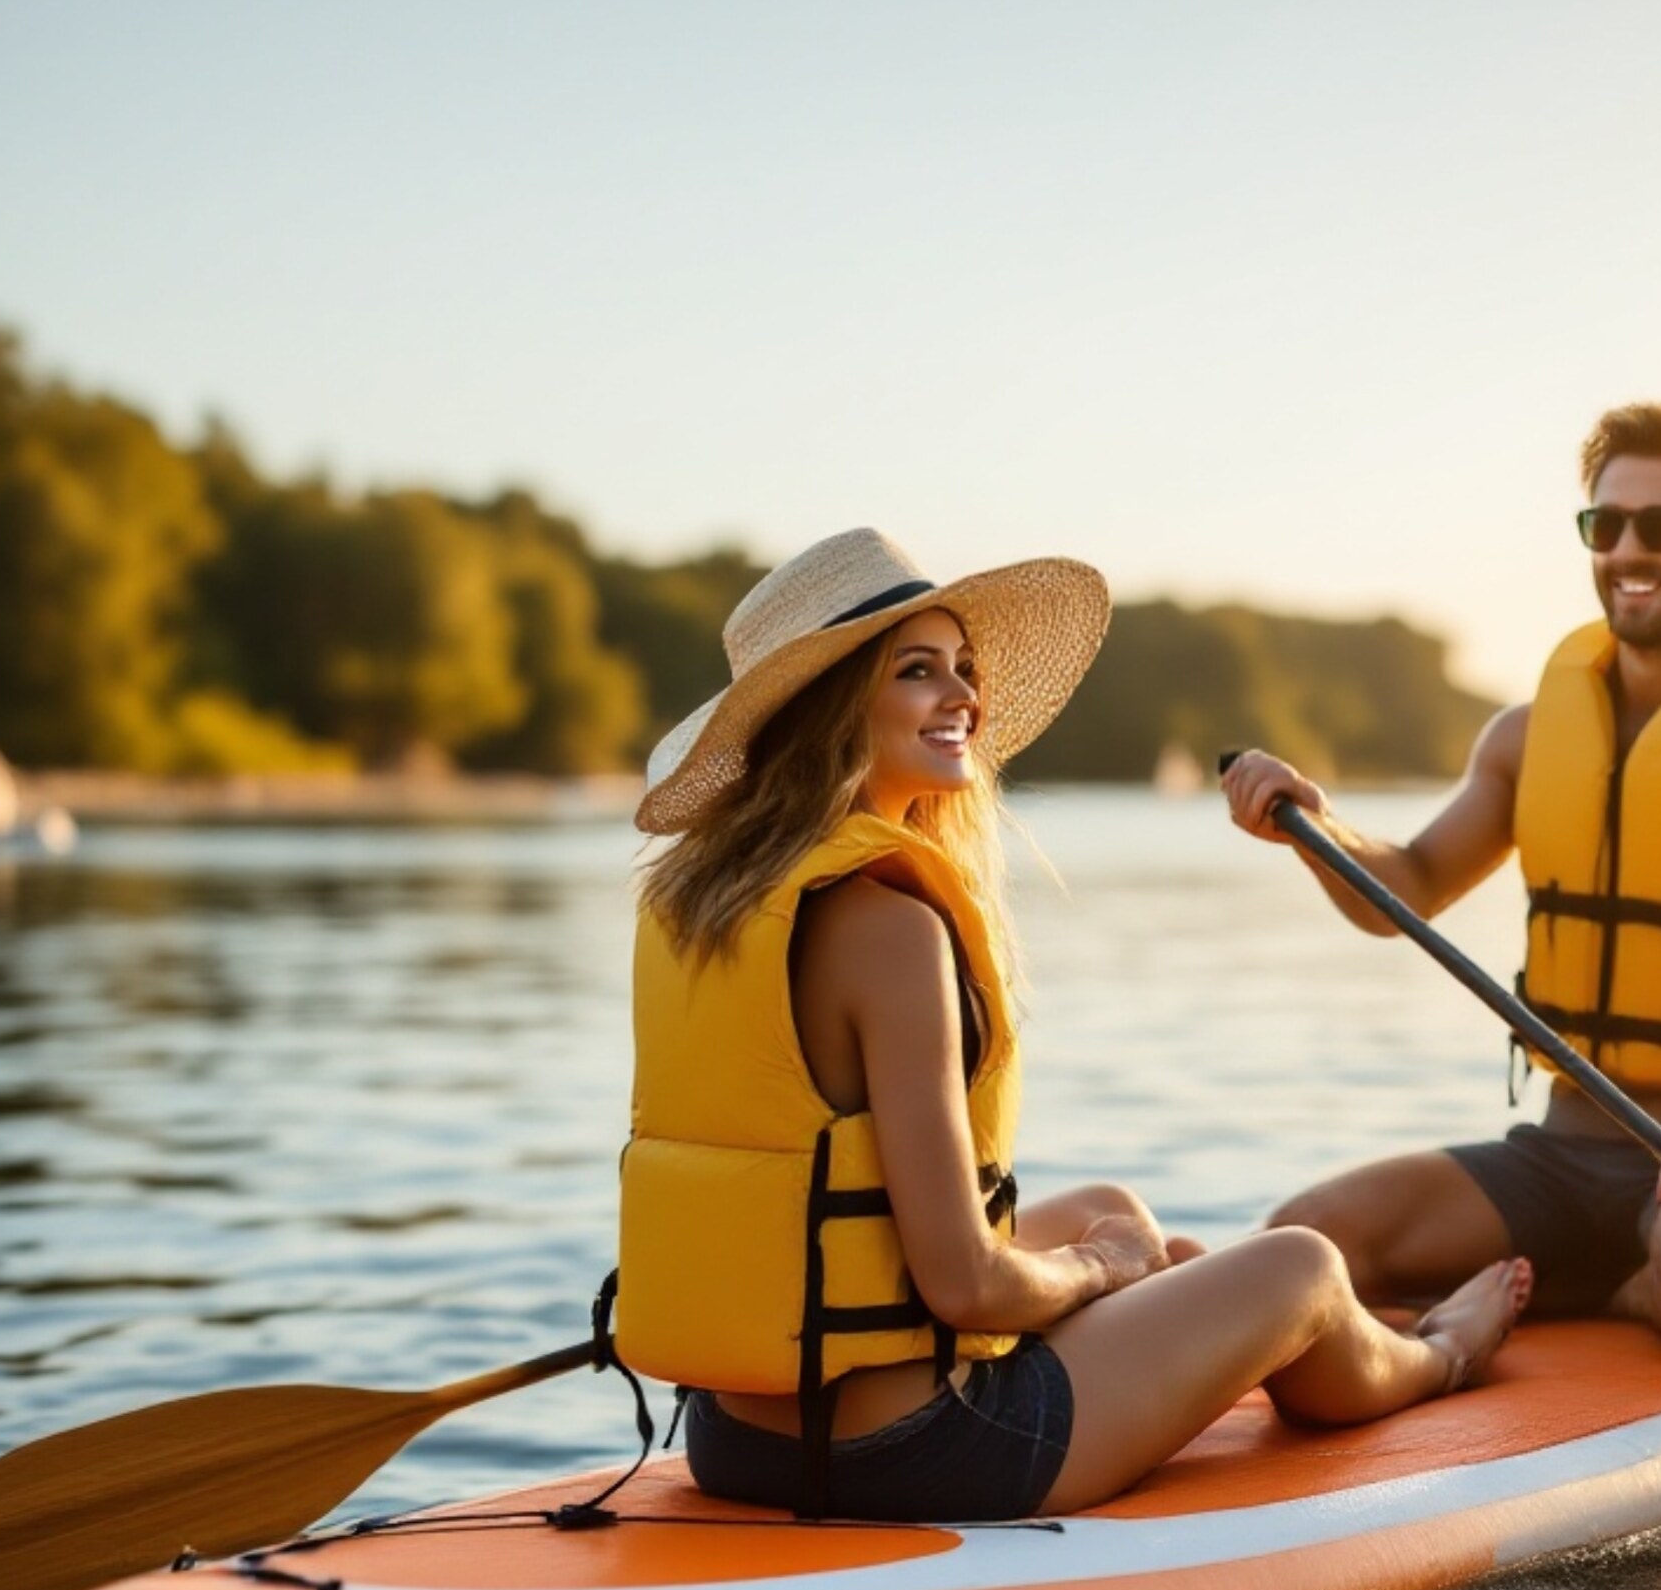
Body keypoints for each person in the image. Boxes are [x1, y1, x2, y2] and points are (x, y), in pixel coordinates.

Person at [616, 528, 1531, 1524]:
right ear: (828, 708)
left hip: (733, 1440)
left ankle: (1197, 1309)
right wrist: (1096, 1269)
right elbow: (962, 1284)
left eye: (964, 668)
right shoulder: (891, 931)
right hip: (913, 1456)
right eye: (917, 671)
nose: (963, 695)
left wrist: (1114, 1253)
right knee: (1302, 1267)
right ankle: (1439, 1353)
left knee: (1123, 1212)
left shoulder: (701, 907)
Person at [1223, 403, 1661, 1352]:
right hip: (1562, 1155)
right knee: (1305, 1238)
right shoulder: (1526, 738)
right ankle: (1573, 1291)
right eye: (1605, 526)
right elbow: (1407, 886)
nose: (1627, 551)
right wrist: (1314, 827)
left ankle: (1638, 1291)